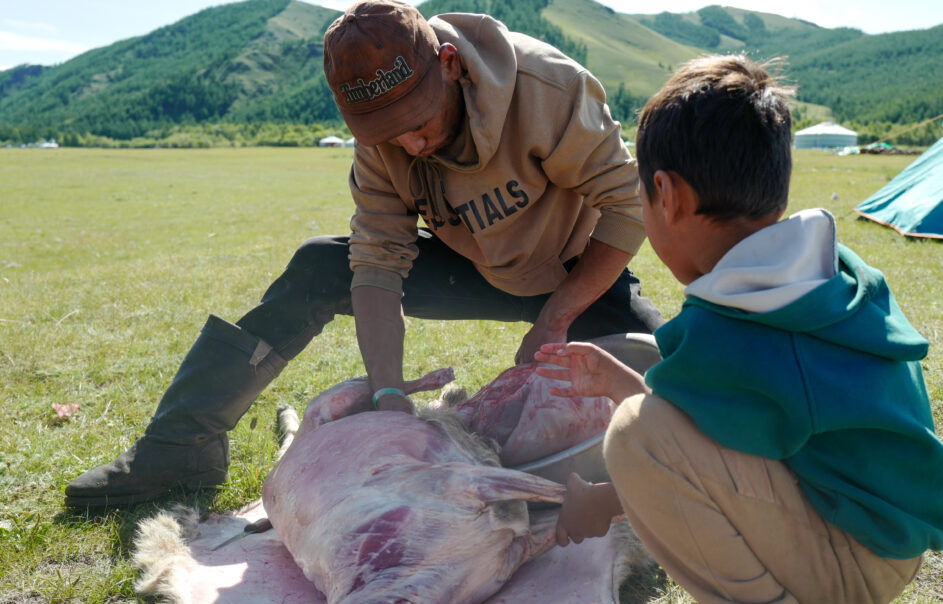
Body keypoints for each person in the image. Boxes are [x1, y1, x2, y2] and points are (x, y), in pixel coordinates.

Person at [64, 0, 663, 507]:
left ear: (449, 65)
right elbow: (378, 261)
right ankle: (180, 446)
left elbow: (628, 205)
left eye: (417, 120)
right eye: (385, 131)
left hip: (573, 269)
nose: (408, 142)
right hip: (473, 267)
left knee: (669, 378)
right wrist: (387, 392)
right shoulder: (382, 141)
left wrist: (559, 314)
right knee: (318, 265)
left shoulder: (545, 87)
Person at [533, 54, 943, 604]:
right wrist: (616, 379)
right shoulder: (817, 275)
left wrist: (601, 502)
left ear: (667, 194)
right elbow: (705, 431)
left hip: (854, 566)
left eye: (642, 199)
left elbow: (662, 445)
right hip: (884, 538)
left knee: (631, 433)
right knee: (644, 422)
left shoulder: (730, 325)